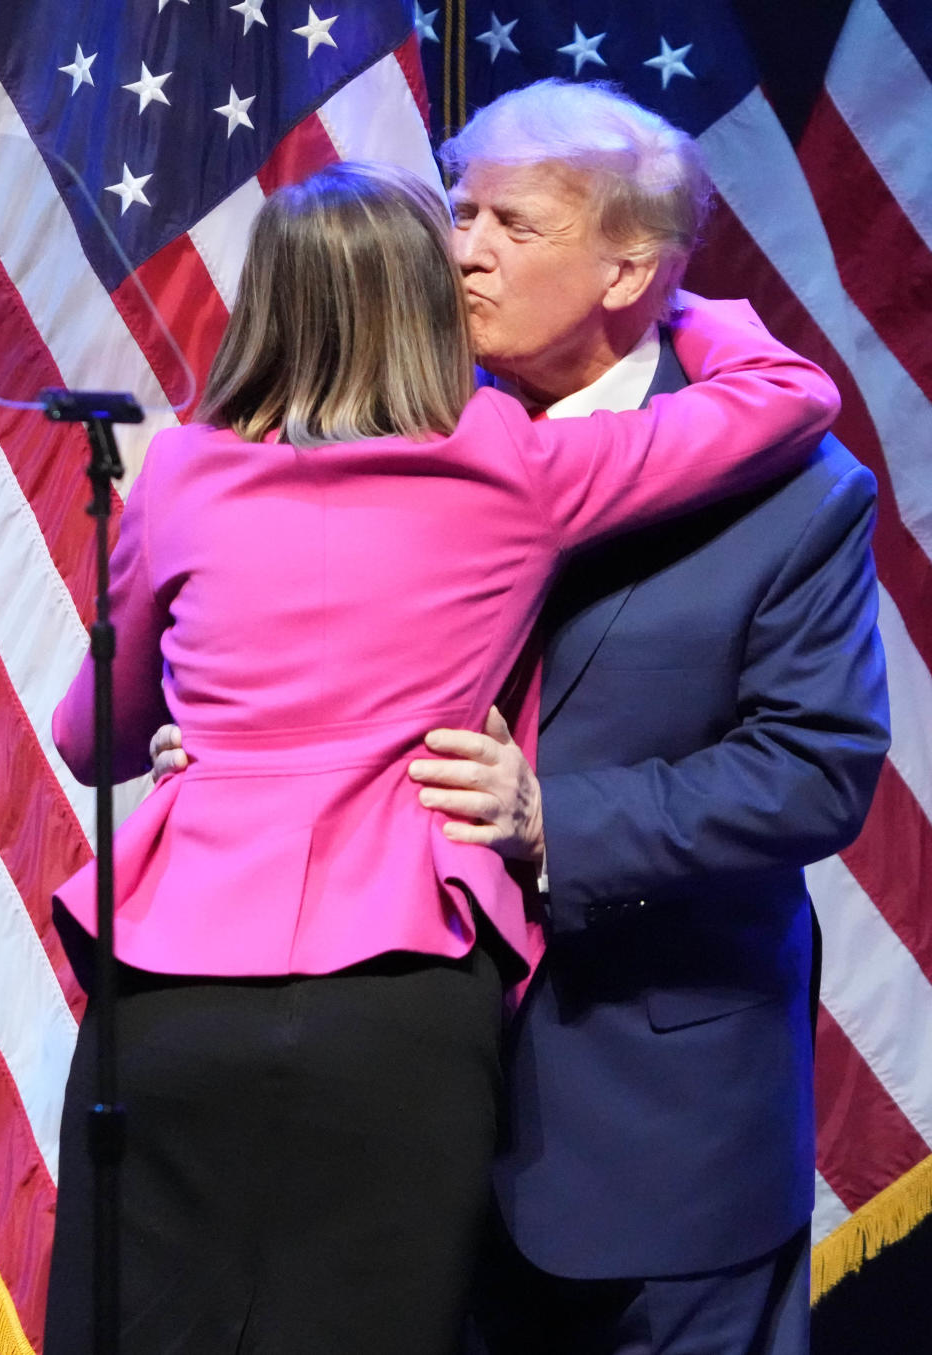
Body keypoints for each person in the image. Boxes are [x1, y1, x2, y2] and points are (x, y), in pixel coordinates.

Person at [46, 161, 837, 1355]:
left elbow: (83, 737)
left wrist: (197, 717)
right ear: (424, 299)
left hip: (171, 991)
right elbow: (788, 393)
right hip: (401, 992)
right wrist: (675, 299)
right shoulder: (509, 465)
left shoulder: (183, 471)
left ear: (261, 301)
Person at [402, 82, 890, 1354]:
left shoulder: (791, 489)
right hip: (400, 1119)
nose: (463, 247)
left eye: (511, 220)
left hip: (666, 1141)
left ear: (629, 266)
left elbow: (813, 768)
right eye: (459, 210)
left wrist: (550, 819)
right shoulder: (394, 437)